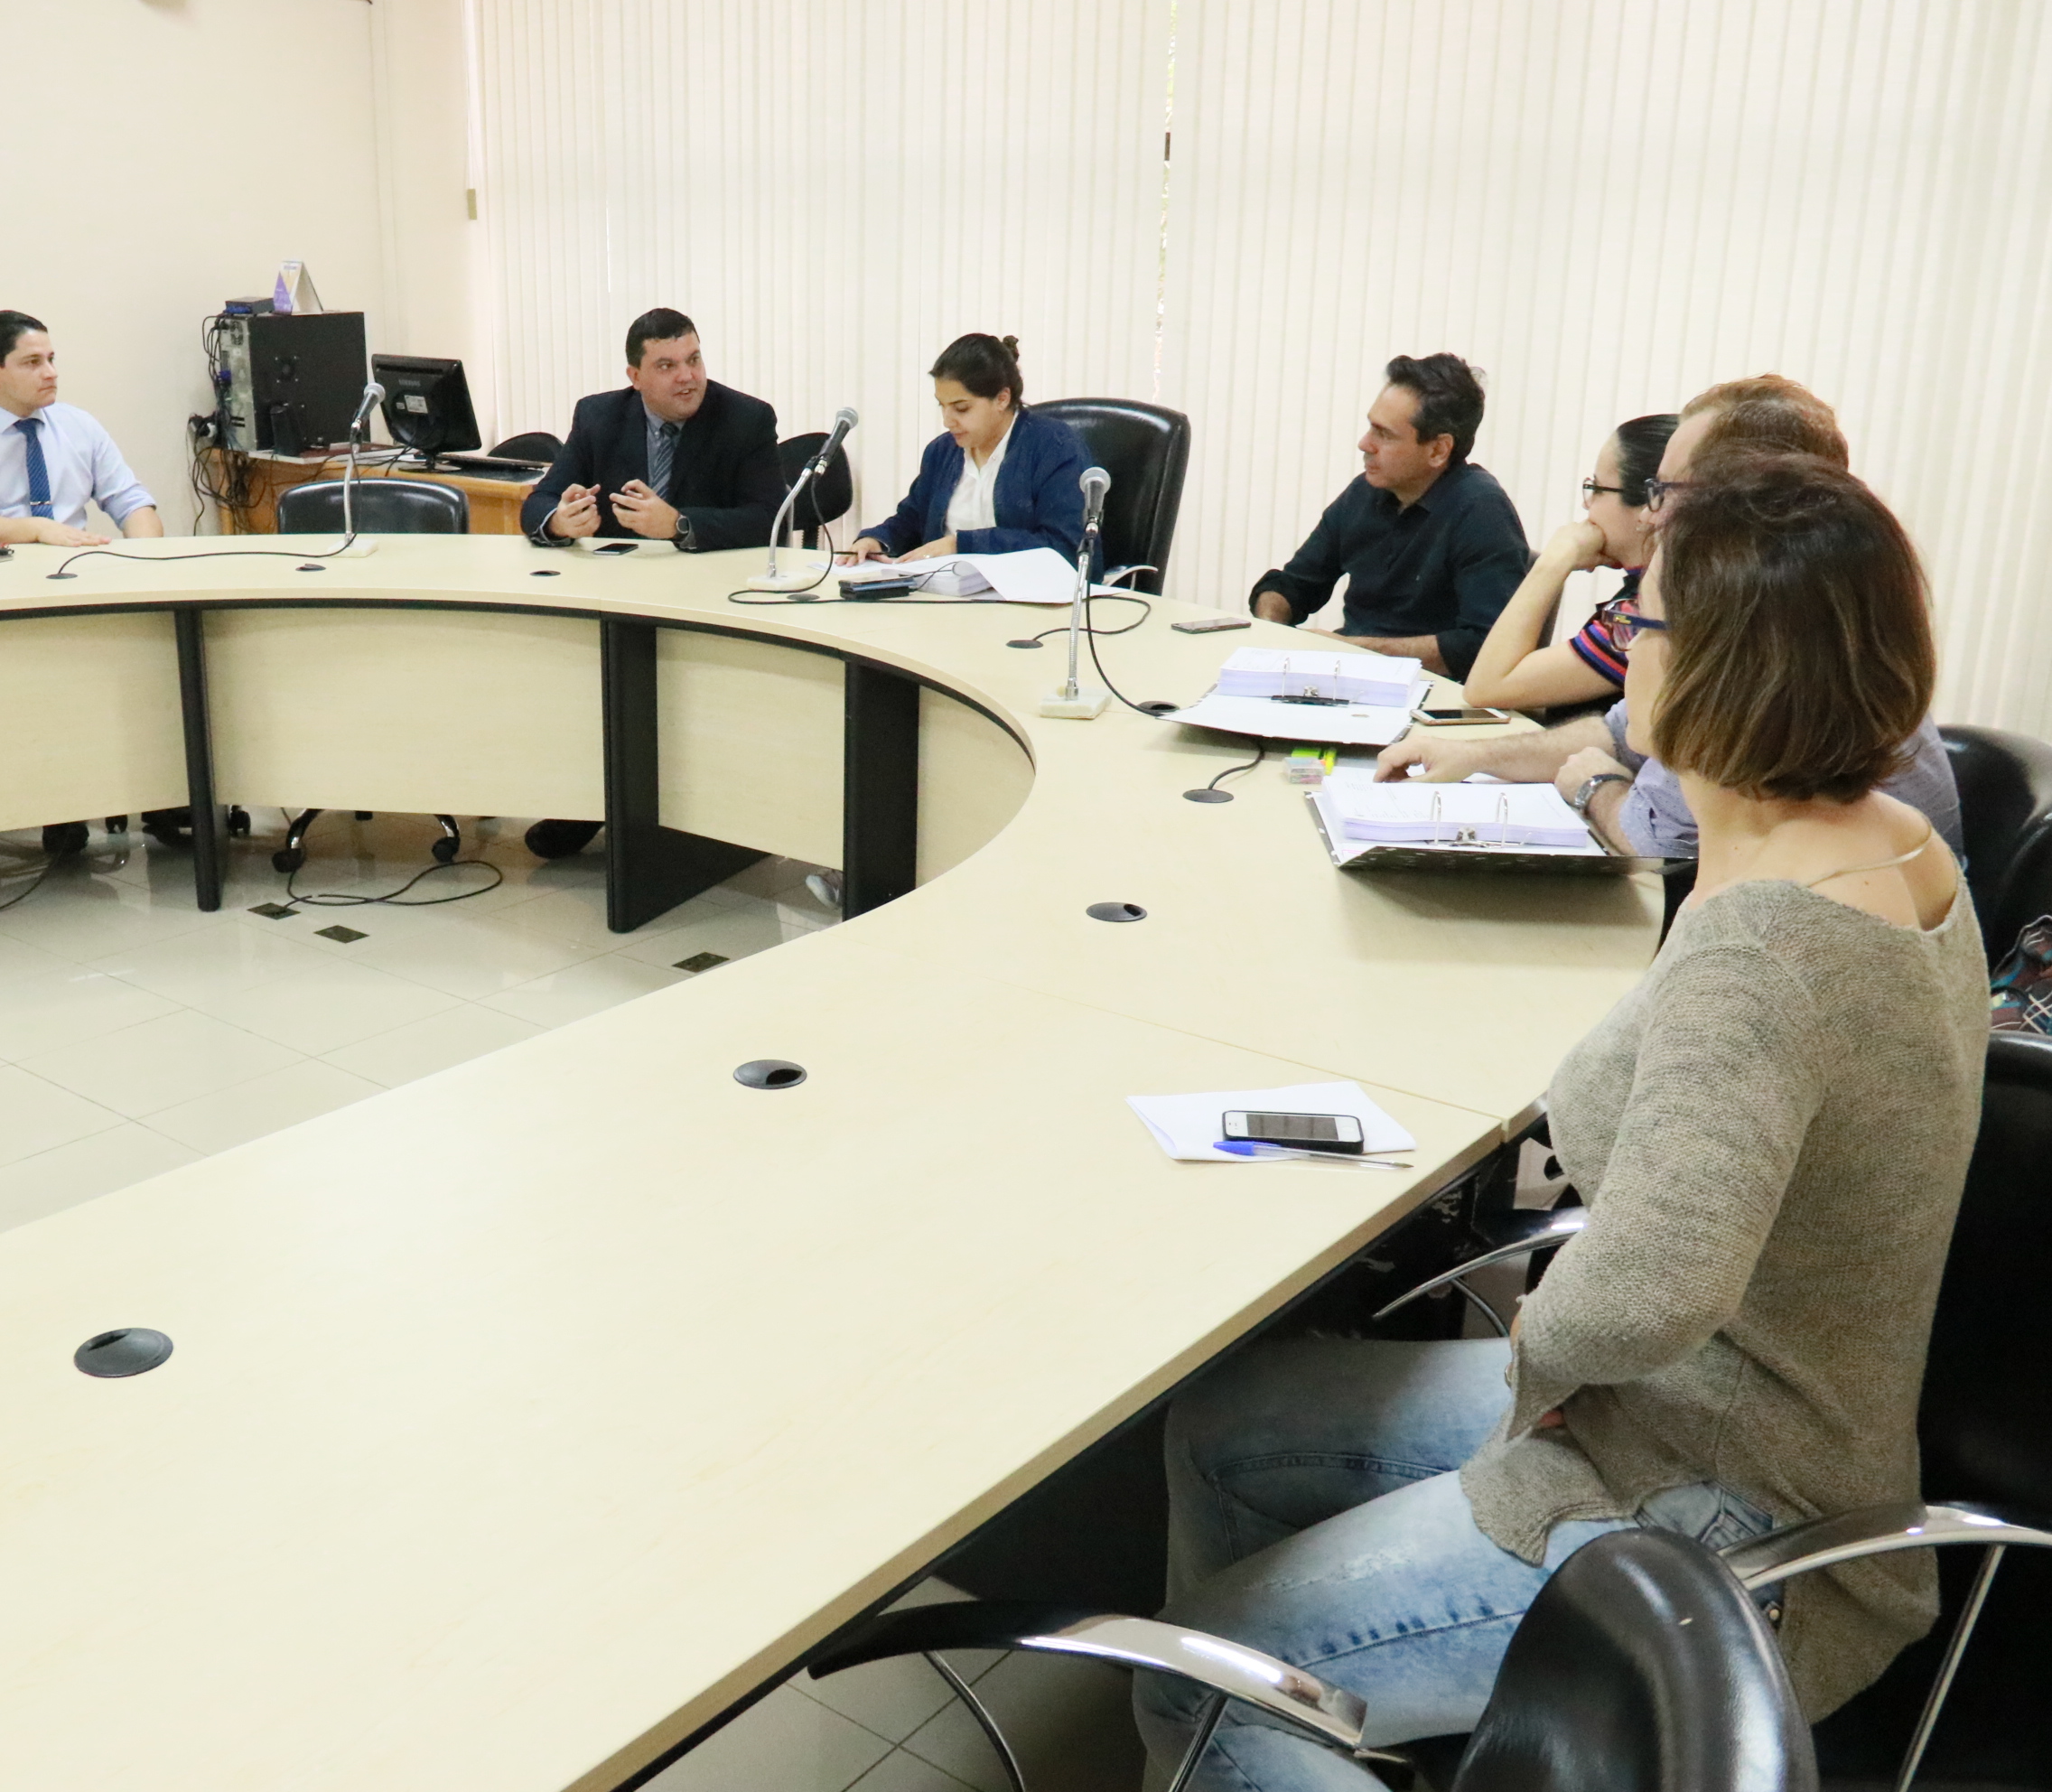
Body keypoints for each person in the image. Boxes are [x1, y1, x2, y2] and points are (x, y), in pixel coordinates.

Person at [1137, 451, 1988, 1792]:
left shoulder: (1765, 949)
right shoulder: (1894, 840)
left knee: (1211, 1680)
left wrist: (1541, 1363)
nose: (1622, 644)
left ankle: (1266, 1730)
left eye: (1641, 618)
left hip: (1716, 1504)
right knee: (1225, 1425)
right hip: (1763, 1425)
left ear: (1713, 667)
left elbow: (1647, 1295)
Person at [1377, 375, 1963, 863]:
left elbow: (1657, 839)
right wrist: (1478, 758)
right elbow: (1619, 733)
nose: (1651, 514)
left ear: (1743, 496)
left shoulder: (1761, 629)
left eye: (1664, 489)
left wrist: (1593, 785)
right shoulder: (1793, 596)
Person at [518, 307, 784, 860]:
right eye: (667, 366)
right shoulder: (598, 416)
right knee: (577, 680)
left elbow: (768, 518)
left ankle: (694, 812)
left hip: (708, 599)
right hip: (619, 594)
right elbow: (539, 500)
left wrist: (680, 524)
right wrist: (559, 521)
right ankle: (590, 801)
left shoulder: (746, 419)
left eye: (694, 359)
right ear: (635, 377)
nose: (688, 377)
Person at [0, 310, 161, 854]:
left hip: (80, 585)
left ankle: (164, 793)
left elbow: (133, 503)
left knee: (155, 659)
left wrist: (144, 558)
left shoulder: (78, 425)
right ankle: (53, 797)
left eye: (51, 359)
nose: (50, 372)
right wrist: (37, 530)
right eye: (32, 362)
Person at [1248, 355, 1532, 678]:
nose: (1364, 444)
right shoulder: (1365, 492)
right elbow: (1293, 585)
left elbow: (1482, 647)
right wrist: (1272, 632)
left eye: (1384, 434)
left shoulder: (1482, 511)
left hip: (1431, 690)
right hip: (1351, 677)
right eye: (1371, 426)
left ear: (1438, 450)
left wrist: (1354, 650)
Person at [1459, 414, 1677, 714]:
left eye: (1598, 488)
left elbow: (1485, 688)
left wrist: (1554, 562)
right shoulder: (1661, 591)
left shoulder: (1647, 616)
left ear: (1650, 504)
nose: (1587, 504)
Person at [845, 333, 1088, 569]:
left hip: (1028, 592)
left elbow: (1065, 547)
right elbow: (913, 518)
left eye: (961, 408)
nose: (947, 421)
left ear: (1002, 399)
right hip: (943, 588)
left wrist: (961, 544)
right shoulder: (942, 451)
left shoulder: (1055, 447)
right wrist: (878, 540)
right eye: (942, 406)